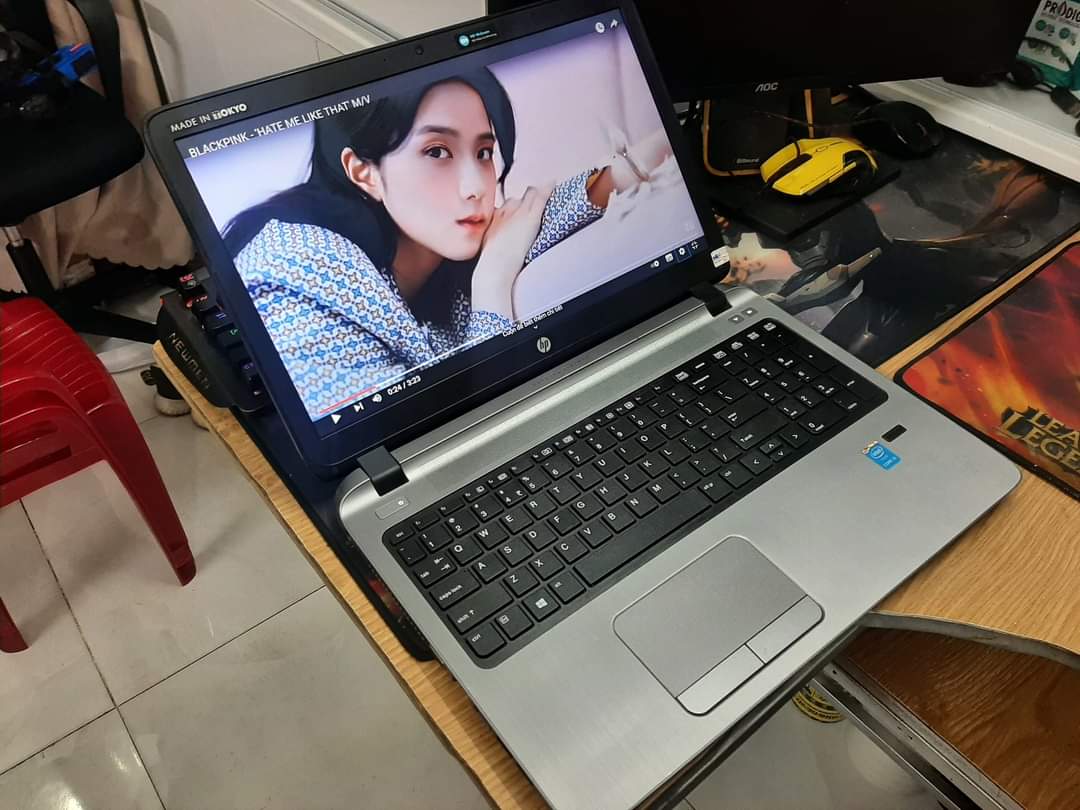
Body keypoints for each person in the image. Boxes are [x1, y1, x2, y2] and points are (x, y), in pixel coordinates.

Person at [223, 68, 671, 418]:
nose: (475, 187)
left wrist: (637, 163)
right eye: (437, 151)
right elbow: (449, 424)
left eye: (483, 153)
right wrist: (493, 280)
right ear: (364, 172)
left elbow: (533, 217)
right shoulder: (293, 272)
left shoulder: (439, 249)